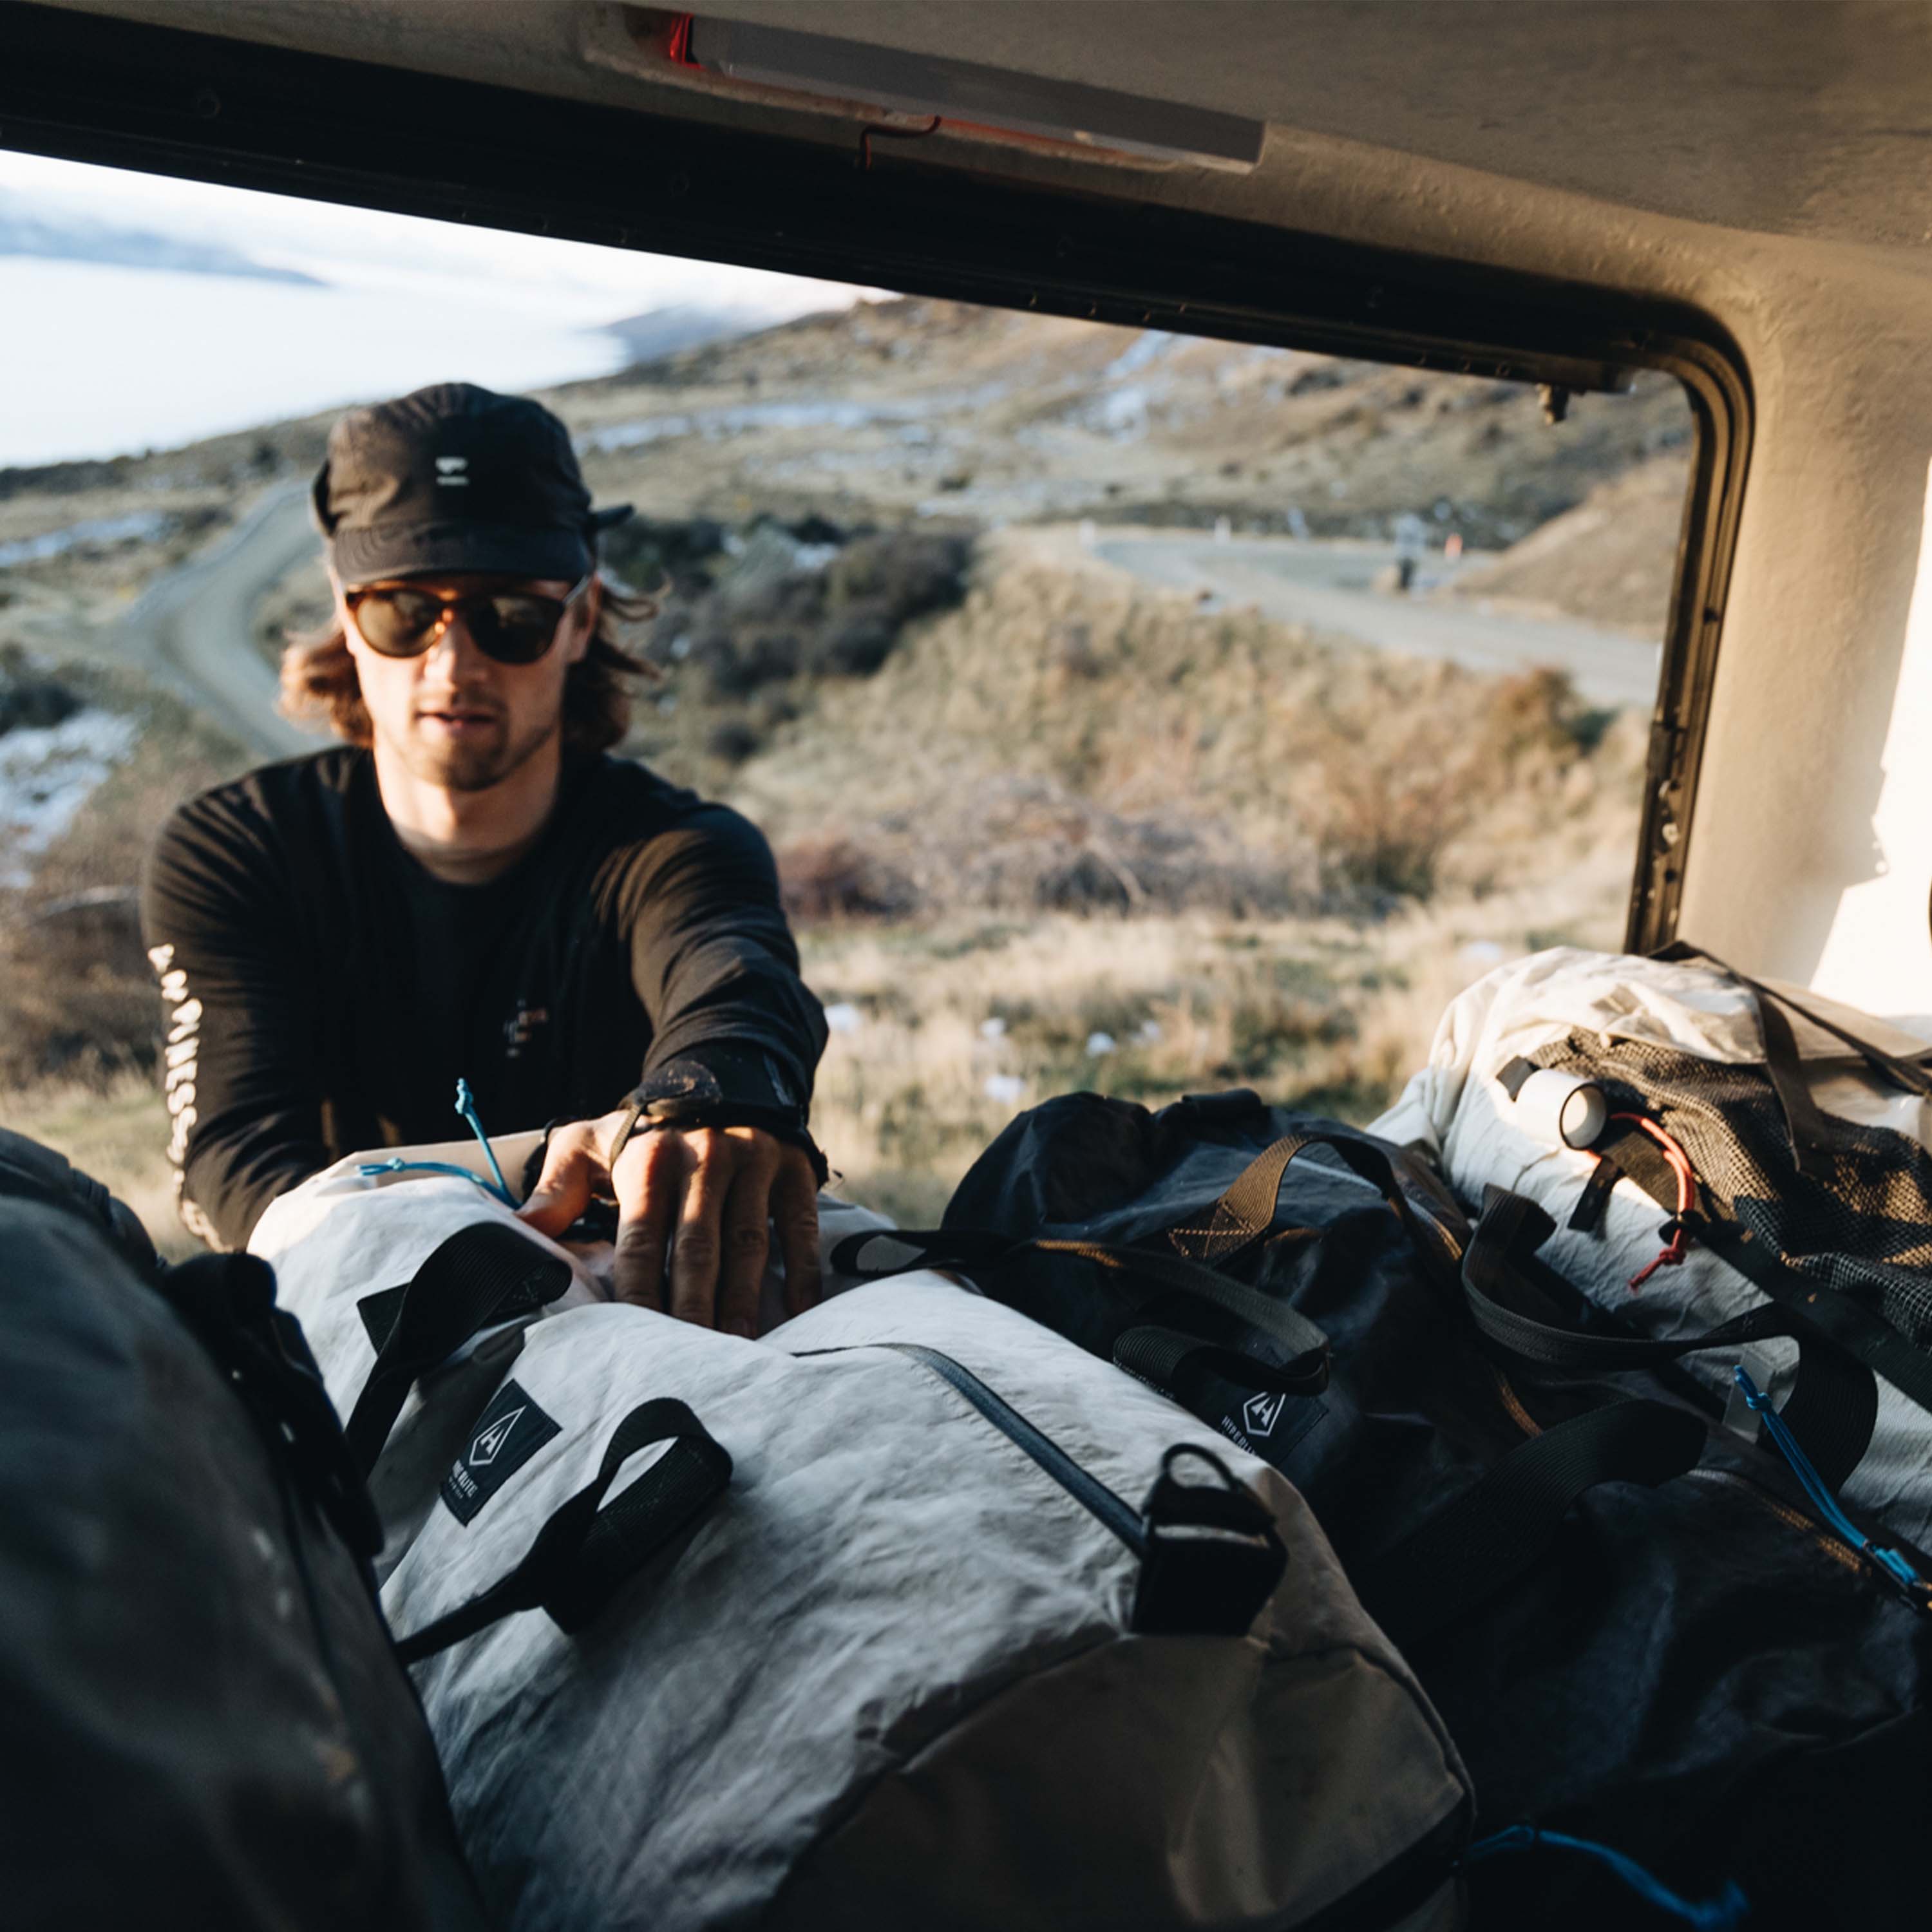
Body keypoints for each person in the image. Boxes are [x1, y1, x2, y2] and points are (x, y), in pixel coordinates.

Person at [141, 383, 828, 1334]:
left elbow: (736, 985)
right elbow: (239, 1172)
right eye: (404, 611)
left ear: (582, 620)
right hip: (355, 1326)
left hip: (636, 1325)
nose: (454, 663)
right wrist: (586, 1153)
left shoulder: (674, 850)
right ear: (347, 617)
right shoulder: (239, 853)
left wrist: (712, 1094)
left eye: (511, 614)